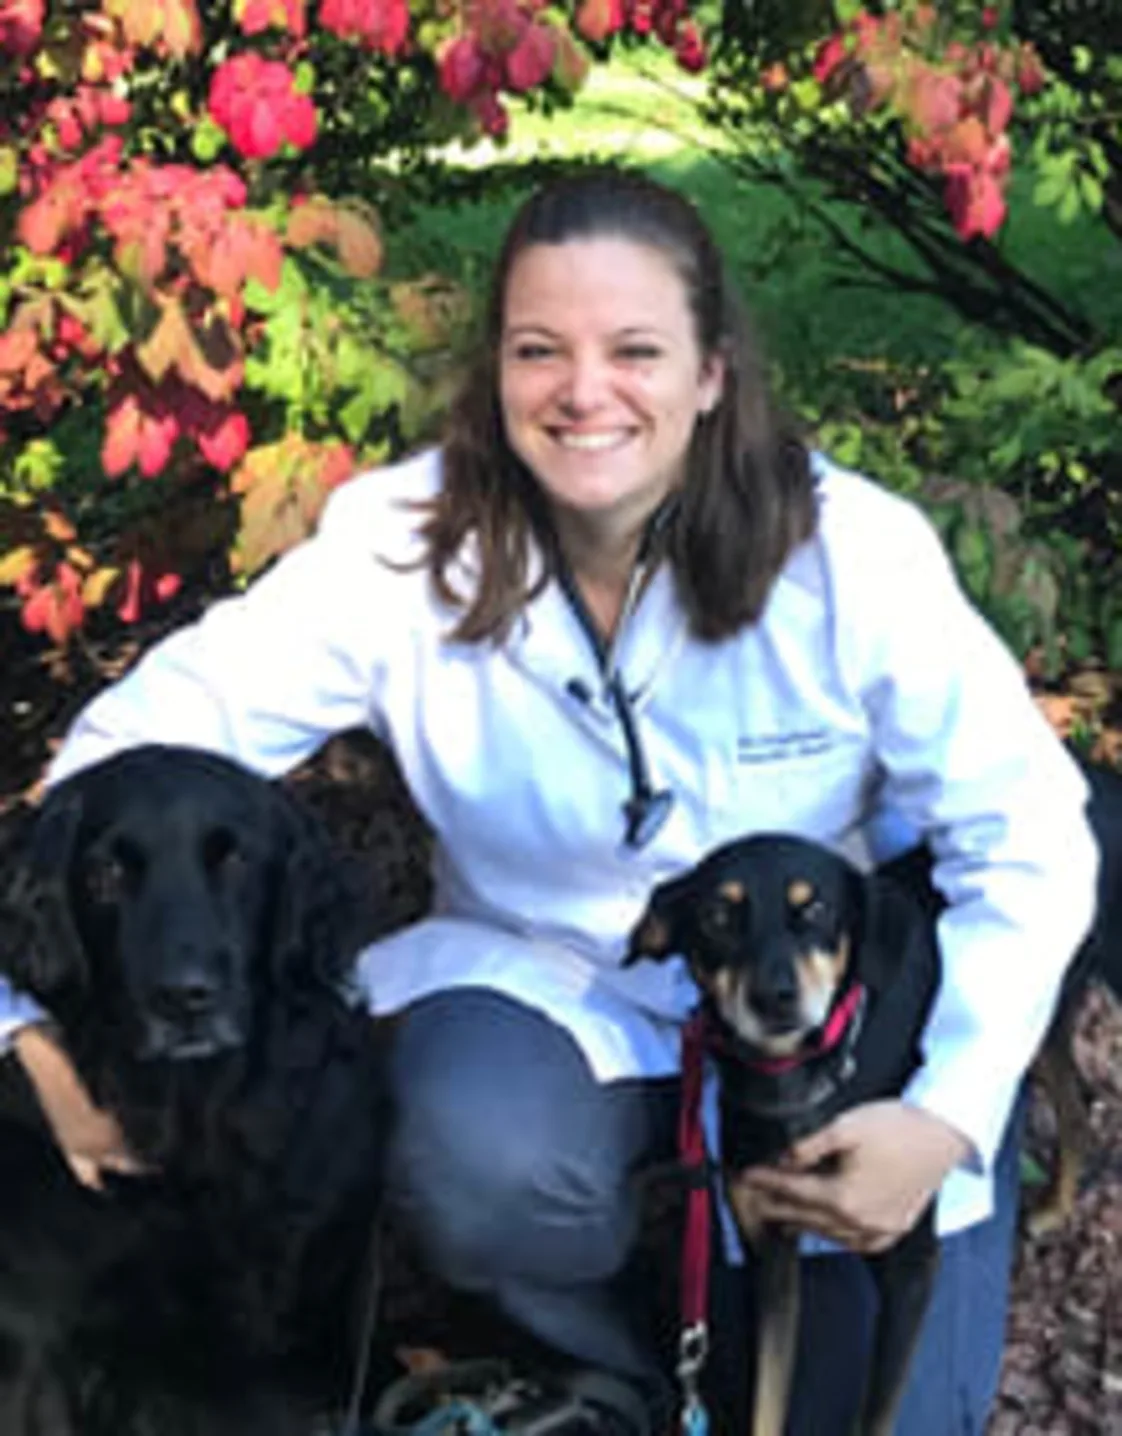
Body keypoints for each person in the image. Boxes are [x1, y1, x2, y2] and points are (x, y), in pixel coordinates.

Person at [1, 168, 1098, 1435]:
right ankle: (604, 1372)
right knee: (472, 1143)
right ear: (497, 372)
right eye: (541, 350)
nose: (586, 392)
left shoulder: (849, 555)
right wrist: (36, 1033)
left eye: (636, 349)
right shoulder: (399, 545)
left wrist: (948, 1112)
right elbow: (114, 764)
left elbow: (1028, 834)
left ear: (712, 372)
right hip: (551, 992)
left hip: (821, 1026)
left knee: (876, 1417)